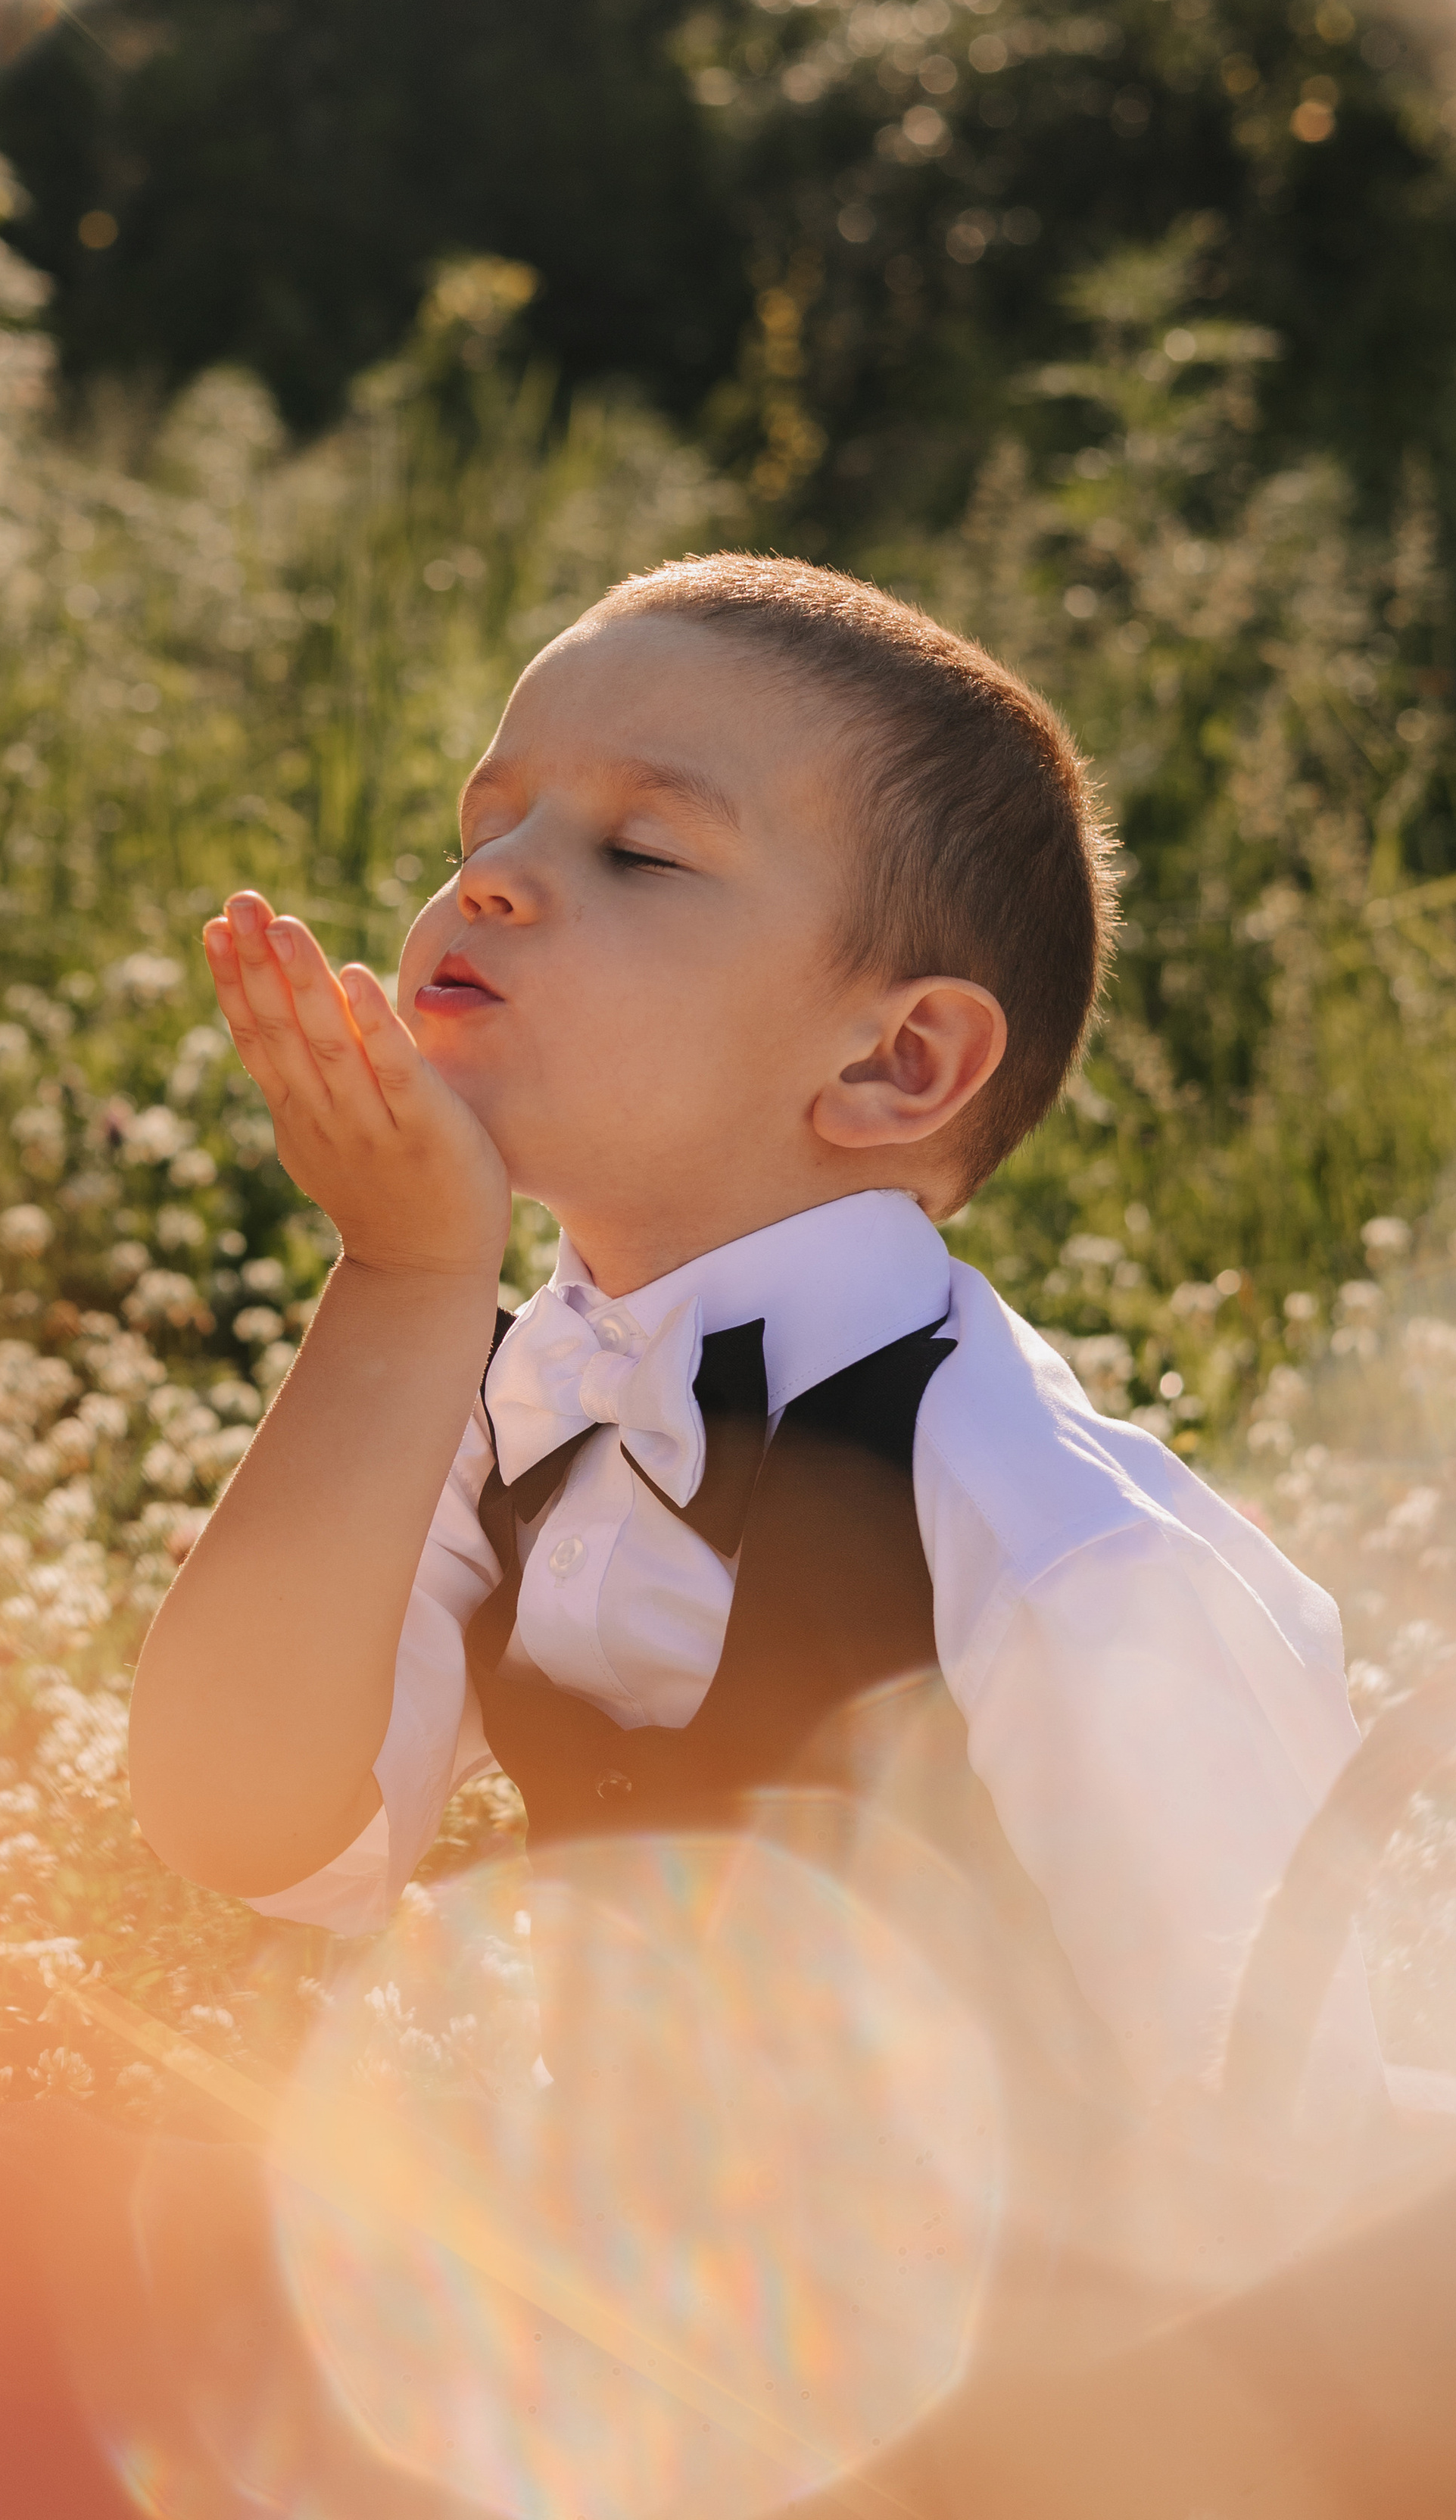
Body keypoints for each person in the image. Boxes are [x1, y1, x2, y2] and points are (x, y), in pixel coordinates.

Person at [129, 551, 1383, 2125]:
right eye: (482, 826)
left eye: (638, 852)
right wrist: (398, 1279)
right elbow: (245, 1820)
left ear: (894, 1061)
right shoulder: (520, 1395)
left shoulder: (1058, 1546)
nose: (491, 879)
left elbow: (1283, 2122)